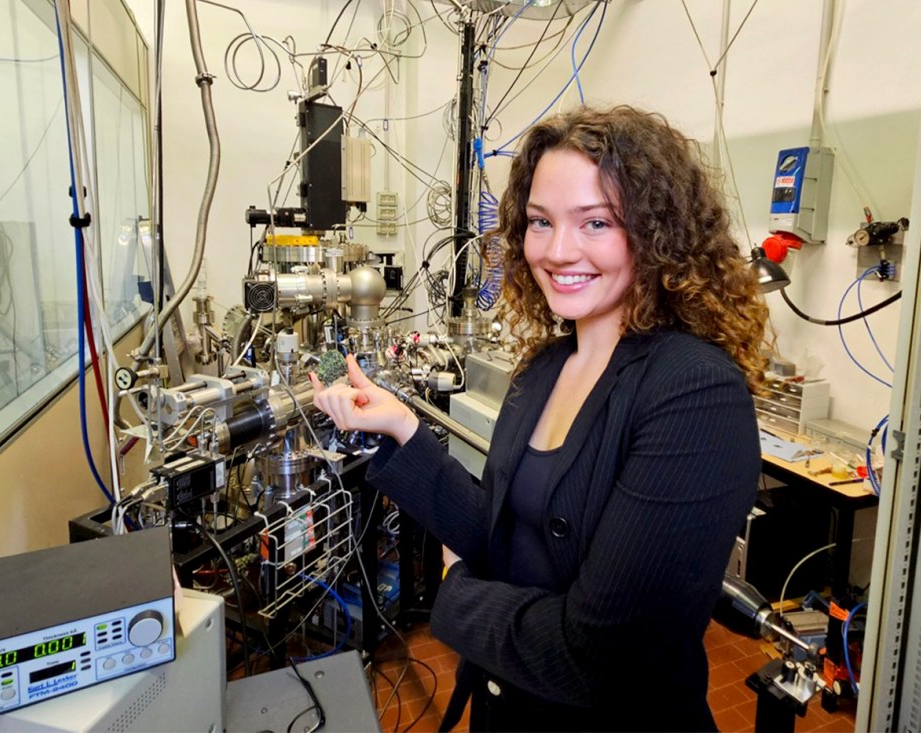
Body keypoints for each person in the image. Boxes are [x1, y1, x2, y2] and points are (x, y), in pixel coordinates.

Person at [309, 105, 769, 731]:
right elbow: (499, 533)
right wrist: (402, 430)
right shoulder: (547, 367)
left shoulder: (694, 394)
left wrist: (456, 594)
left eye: (596, 222)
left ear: (657, 232)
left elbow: (597, 659)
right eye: (540, 222)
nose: (557, 251)